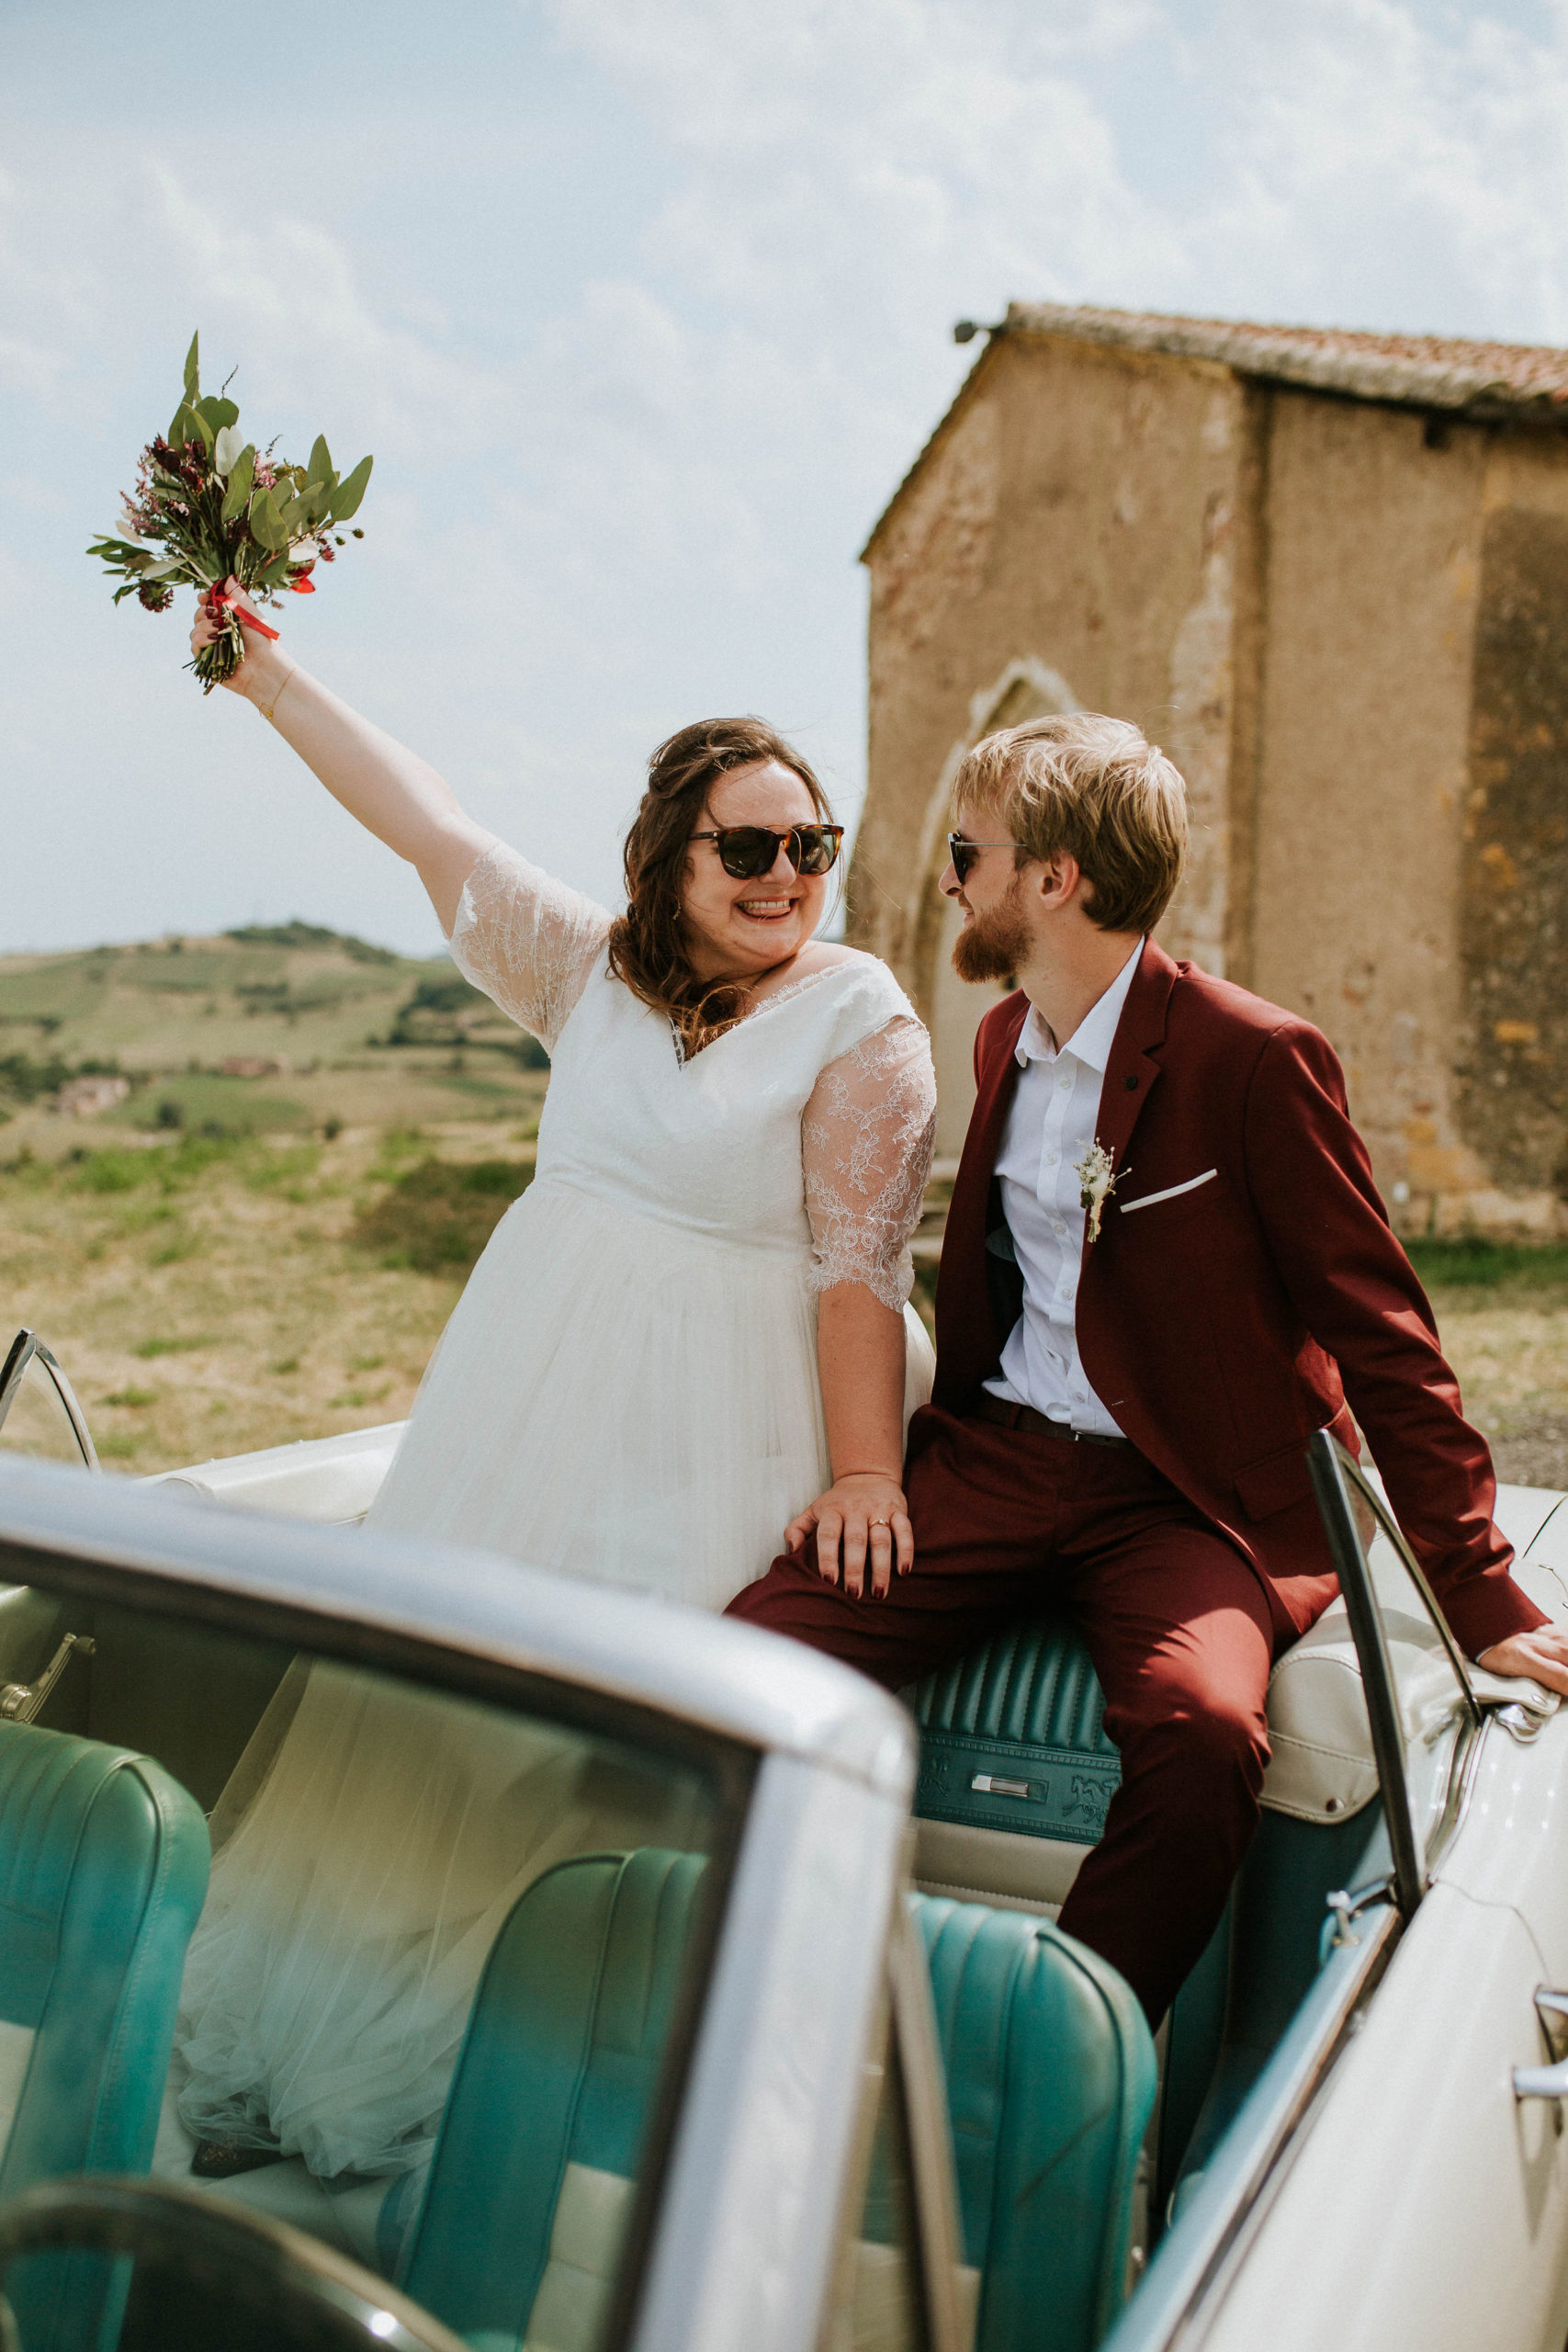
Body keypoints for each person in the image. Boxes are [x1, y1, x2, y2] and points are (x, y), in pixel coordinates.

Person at [167, 586, 937, 2184]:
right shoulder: (580, 973)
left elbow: (860, 1268)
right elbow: (425, 824)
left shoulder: (861, 1021)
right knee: (425, 1720)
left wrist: (866, 1475)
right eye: (750, 848)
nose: (788, 876)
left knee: (585, 1757)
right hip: (517, 1418)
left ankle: (546, 2121)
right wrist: (264, 675)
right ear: (670, 859)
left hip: (712, 1434)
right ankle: (313, 2043)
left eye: (813, 847)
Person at [728, 710, 1568, 2028]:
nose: (951, 876)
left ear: (1053, 880)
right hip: (997, 1464)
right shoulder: (1002, 1040)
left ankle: (1051, 2050)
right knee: (755, 1659)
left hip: (1190, 1502)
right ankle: (787, 2006)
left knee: (1203, 1738)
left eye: (969, 849)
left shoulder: (1254, 1059)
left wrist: (1482, 1595)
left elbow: (1384, 1335)